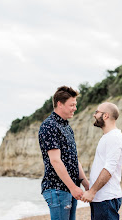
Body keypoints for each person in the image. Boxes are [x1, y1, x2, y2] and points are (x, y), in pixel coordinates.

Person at [38, 86, 89, 220]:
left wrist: (85, 183)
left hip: (68, 189)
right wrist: (73, 187)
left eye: (75, 105)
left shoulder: (67, 127)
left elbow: (74, 159)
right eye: (72, 105)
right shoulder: (49, 126)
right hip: (57, 189)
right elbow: (55, 160)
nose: (75, 108)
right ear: (60, 104)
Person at [81, 102, 122, 220]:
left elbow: (109, 169)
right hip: (101, 198)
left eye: (97, 112)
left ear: (105, 116)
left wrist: (92, 191)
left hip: (106, 199)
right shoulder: (107, 136)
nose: (94, 115)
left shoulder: (114, 137)